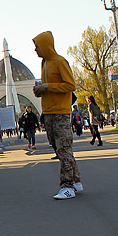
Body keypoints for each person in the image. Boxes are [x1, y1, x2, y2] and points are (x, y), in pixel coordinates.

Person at [33, 31, 83, 200]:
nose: (35, 50)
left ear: (45, 46)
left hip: (60, 111)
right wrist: (40, 90)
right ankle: (76, 180)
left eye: (37, 46)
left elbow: (69, 85)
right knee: (58, 148)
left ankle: (67, 186)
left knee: (63, 148)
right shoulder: (45, 63)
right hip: (48, 111)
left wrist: (48, 87)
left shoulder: (60, 62)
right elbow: (49, 87)